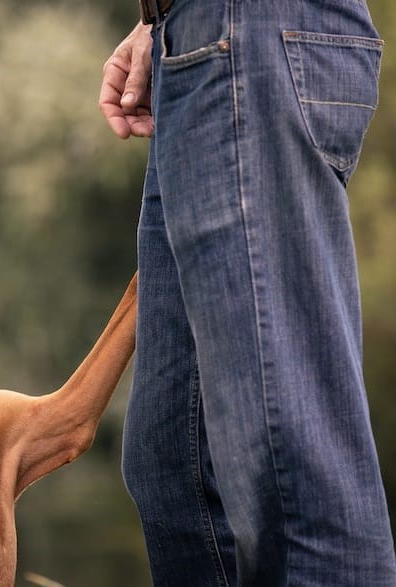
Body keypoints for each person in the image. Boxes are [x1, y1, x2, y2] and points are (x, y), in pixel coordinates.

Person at [100, 0, 396, 585]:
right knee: (177, 467)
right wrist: (156, 23)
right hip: (196, 41)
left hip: (246, 38)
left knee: (292, 478)